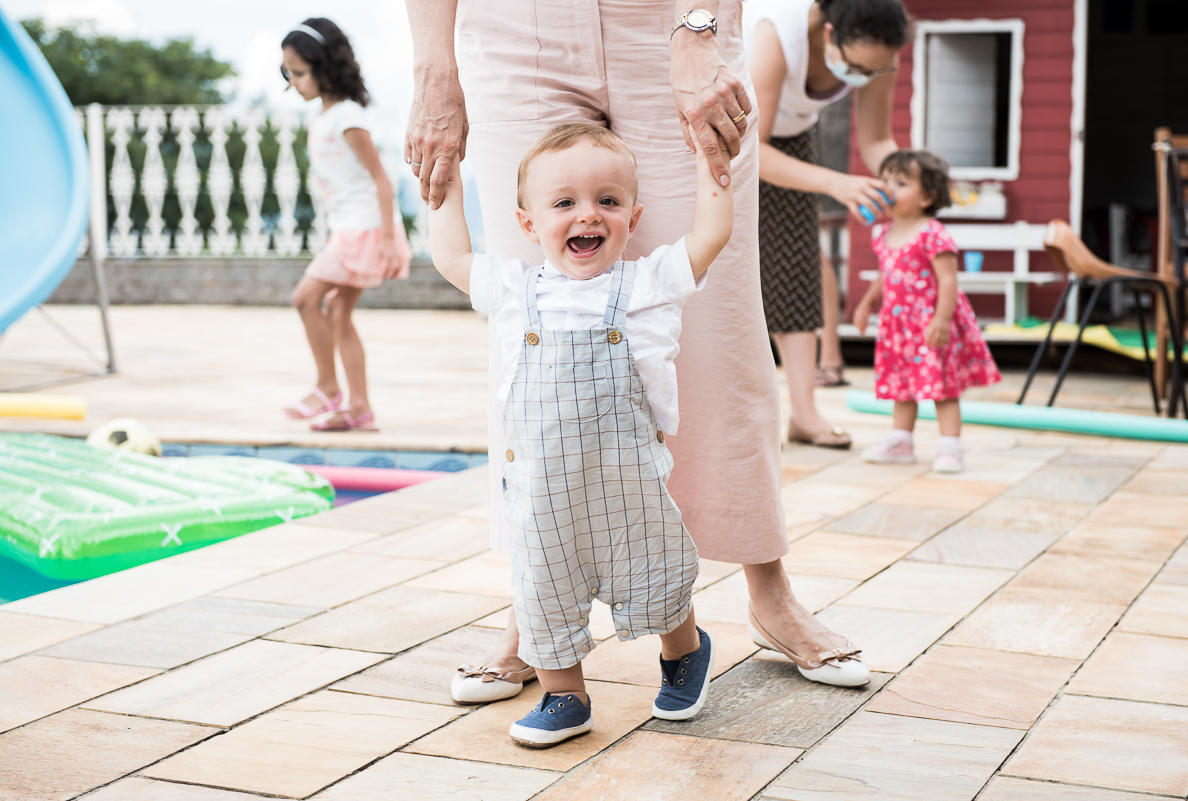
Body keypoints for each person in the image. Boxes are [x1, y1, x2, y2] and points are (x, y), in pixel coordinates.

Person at [406, 0, 870, 707]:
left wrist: (698, 25)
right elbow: (458, 257)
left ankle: (769, 593)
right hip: (512, 28)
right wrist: (435, 67)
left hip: (669, 16)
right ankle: (533, 616)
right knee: (529, 342)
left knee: (721, 325)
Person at [429, 122, 730, 747]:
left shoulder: (647, 284)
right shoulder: (515, 290)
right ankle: (565, 695)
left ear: (632, 215)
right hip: (543, 492)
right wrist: (446, 179)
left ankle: (685, 651)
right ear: (528, 223)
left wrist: (712, 161)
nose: (587, 214)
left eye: (608, 201)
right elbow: (452, 257)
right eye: (563, 202)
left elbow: (710, 233)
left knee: (657, 571)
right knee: (540, 587)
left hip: (630, 482)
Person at [746, 0, 910, 448]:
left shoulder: (879, 53)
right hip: (732, 132)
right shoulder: (777, 31)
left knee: (796, 268)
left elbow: (877, 140)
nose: (862, 76)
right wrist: (836, 184)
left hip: (794, 136)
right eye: (857, 66)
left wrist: (906, 182)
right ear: (829, 33)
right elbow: (752, 147)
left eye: (875, 69)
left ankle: (804, 414)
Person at [280, 18, 410, 431]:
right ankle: (359, 408)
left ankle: (327, 387)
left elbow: (381, 180)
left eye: (299, 73)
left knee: (306, 298)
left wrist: (389, 239)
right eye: (288, 74)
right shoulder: (322, 116)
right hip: (347, 227)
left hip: (366, 228)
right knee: (336, 311)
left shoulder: (349, 116)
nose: (293, 83)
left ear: (325, 67)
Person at [853, 151, 1001, 472]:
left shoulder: (932, 232)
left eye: (901, 183)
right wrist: (867, 302)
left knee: (942, 386)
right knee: (902, 385)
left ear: (927, 197)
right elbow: (885, 273)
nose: (889, 189)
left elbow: (948, 279)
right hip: (898, 327)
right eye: (886, 181)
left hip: (929, 323)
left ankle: (951, 446)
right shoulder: (884, 233)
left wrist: (942, 319)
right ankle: (901, 441)